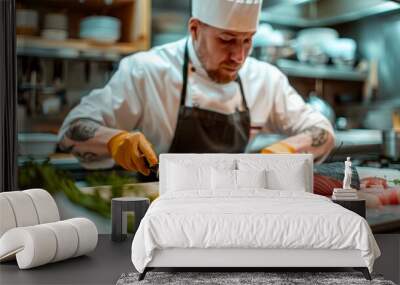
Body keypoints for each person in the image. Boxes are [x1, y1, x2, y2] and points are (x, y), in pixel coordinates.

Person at [58, 0, 335, 176]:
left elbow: (322, 131)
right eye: (226, 40)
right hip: (158, 209)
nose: (239, 56)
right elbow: (73, 128)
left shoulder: (265, 79)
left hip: (230, 209)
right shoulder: (146, 71)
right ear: (194, 29)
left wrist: (287, 149)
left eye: (247, 41)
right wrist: (114, 140)